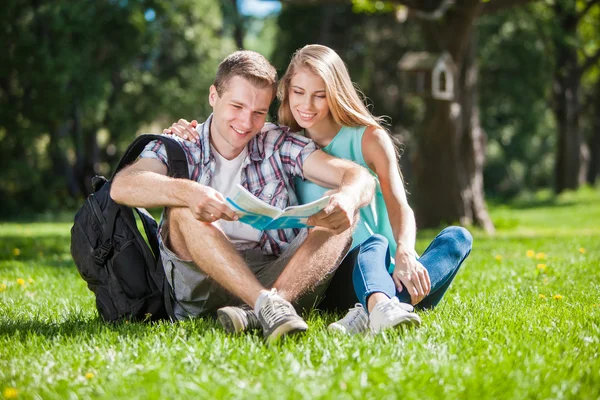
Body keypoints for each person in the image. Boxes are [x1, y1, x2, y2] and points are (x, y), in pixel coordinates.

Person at [168, 45, 473, 336]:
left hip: (386, 267)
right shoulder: (286, 143)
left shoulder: (368, 139)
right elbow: (227, 123)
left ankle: (380, 306)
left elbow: (399, 205)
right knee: (369, 243)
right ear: (286, 93)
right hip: (330, 273)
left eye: (319, 95)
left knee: (456, 237)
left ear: (335, 95)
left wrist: (406, 253)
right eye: (298, 93)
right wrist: (185, 130)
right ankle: (383, 307)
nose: (306, 105)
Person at [110, 50, 375, 344]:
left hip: (275, 274)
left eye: (259, 112)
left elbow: (358, 177)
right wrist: (188, 190)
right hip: (202, 283)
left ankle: (271, 308)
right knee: (182, 208)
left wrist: (349, 197)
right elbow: (123, 185)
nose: (246, 122)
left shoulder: (275, 142)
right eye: (237, 106)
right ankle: (265, 305)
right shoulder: (181, 145)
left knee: (339, 215)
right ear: (214, 96)